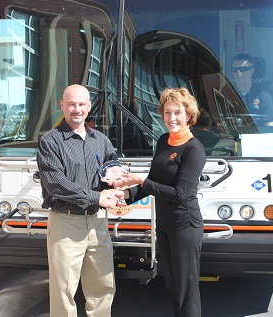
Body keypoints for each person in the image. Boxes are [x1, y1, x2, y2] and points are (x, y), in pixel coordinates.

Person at [114, 87, 206, 317]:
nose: (172, 118)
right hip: (164, 225)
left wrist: (142, 180)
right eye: (167, 112)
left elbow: (180, 194)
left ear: (188, 116)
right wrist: (125, 194)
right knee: (172, 286)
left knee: (186, 290)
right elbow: (154, 181)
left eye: (177, 112)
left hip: (185, 226)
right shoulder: (164, 141)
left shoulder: (194, 149)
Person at [37, 84, 125, 316]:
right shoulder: (50, 142)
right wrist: (98, 197)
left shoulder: (101, 140)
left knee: (103, 287)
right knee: (64, 292)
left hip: (97, 223)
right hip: (66, 225)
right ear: (62, 106)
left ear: (88, 107)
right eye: (72, 104)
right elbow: (57, 184)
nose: (77, 109)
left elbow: (111, 170)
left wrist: (116, 187)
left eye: (82, 104)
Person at [230, 53, 273, 121]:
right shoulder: (226, 93)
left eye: (243, 69)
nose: (238, 72)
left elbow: (271, 128)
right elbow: (220, 125)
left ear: (252, 71)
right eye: (235, 69)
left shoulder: (264, 96)